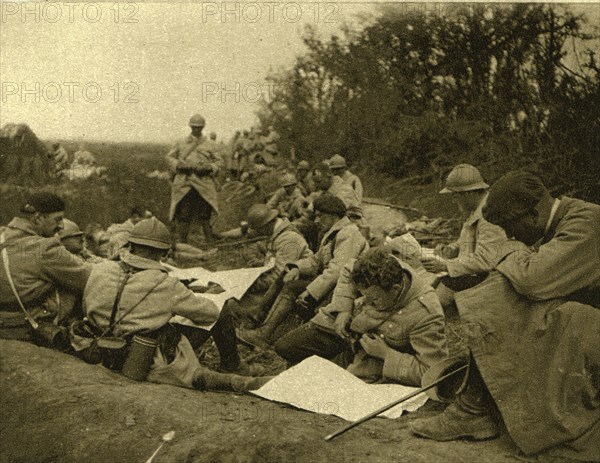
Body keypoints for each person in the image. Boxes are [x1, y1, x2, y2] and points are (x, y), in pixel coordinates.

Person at [410, 171, 600, 462]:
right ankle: (476, 406)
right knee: (512, 294)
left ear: (534, 212)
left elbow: (533, 279)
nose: (511, 236)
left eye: (511, 228)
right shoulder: (564, 218)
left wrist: (508, 248)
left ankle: (473, 409)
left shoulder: (586, 223)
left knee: (504, 294)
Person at [76, 217, 271, 392]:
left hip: (99, 345)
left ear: (131, 245)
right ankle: (232, 366)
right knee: (221, 310)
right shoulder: (165, 284)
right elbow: (209, 314)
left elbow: (88, 307)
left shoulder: (100, 269)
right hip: (144, 356)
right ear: (162, 252)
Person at [276, 248, 448, 387]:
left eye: (375, 299)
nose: (369, 302)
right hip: (351, 330)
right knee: (286, 346)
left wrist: (387, 354)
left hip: (372, 356)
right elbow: (348, 268)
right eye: (366, 296)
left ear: (395, 289)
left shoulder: (427, 314)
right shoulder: (385, 265)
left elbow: (433, 373)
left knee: (324, 388)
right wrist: (345, 308)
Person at [237, 194, 369, 349]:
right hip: (332, 286)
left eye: (320, 216)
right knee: (286, 273)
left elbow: (337, 271)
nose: (317, 220)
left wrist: (311, 291)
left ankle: (263, 334)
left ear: (333, 215)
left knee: (292, 287)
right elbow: (316, 261)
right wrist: (296, 267)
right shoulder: (335, 233)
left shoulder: (348, 234)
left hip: (346, 292)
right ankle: (257, 319)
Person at [0, 193, 91, 342]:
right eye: (58, 219)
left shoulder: (3, 234)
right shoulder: (45, 248)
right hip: (29, 328)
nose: (61, 226)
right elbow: (89, 277)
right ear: (38, 218)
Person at [421, 164, 507, 306]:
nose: (454, 200)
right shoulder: (476, 210)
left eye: (455, 195)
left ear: (468, 193)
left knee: (429, 303)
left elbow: (484, 260)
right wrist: (451, 249)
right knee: (427, 292)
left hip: (488, 283)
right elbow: (465, 242)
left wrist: (445, 265)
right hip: (470, 276)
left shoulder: (489, 217)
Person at [166, 114, 220, 243]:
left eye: (199, 127)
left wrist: (209, 167)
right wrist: (179, 165)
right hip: (185, 181)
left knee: (205, 213)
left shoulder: (210, 144)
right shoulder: (181, 142)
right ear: (190, 126)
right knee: (184, 213)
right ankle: (182, 243)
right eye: (194, 127)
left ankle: (209, 241)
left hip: (204, 182)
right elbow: (169, 157)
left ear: (203, 127)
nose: (197, 129)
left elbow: (219, 162)